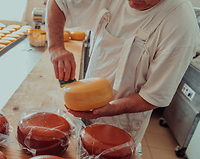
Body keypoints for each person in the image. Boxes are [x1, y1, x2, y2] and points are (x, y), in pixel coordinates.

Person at [46, 0, 200, 147]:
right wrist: (56, 47)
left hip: (121, 126)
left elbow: (154, 96)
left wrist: (111, 108)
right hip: (84, 107)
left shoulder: (180, 23)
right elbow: (60, 3)